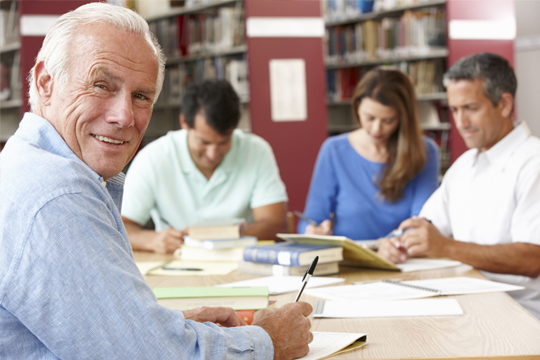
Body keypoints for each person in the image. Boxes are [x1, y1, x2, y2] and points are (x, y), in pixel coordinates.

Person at [0, 3, 313, 359]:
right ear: (45, 84)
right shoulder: (57, 194)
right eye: (101, 85)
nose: (124, 116)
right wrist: (266, 340)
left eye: (141, 96)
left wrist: (156, 327)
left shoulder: (30, 166)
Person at [377, 53, 540, 320]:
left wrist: (445, 247)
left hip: (520, 315)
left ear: (505, 104)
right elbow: (425, 226)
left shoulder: (533, 163)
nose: (461, 122)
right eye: (454, 110)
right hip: (469, 304)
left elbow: (532, 258)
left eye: (471, 108)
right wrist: (396, 243)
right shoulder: (465, 166)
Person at [121, 79, 288, 254]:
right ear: (184, 122)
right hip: (176, 265)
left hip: (241, 263)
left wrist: (214, 235)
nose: (213, 154)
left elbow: (276, 225)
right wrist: (151, 240)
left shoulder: (256, 150)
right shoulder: (154, 157)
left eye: (224, 142)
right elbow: (120, 227)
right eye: (204, 142)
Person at [298, 67, 440, 241]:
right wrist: (312, 230)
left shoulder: (426, 152)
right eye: (370, 118)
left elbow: (421, 222)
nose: (376, 129)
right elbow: (312, 217)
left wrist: (390, 246)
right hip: (349, 260)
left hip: (404, 258)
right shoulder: (334, 150)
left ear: (403, 117)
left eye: (388, 120)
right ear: (357, 107)